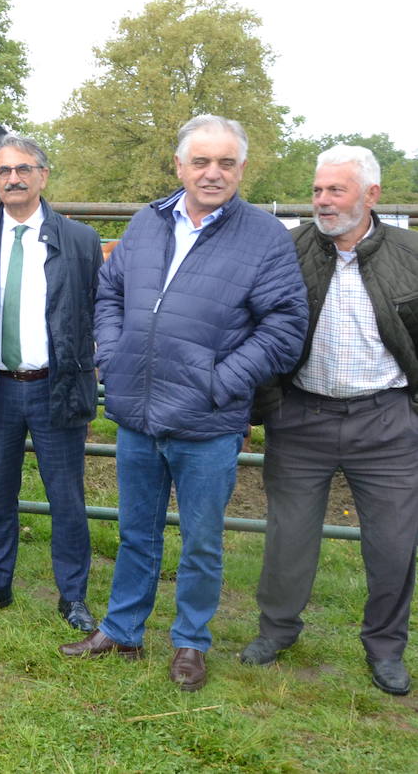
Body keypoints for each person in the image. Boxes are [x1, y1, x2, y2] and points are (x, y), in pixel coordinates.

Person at [59, 114, 307, 693]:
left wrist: (220, 383)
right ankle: (122, 629)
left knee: (200, 541)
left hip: (207, 423)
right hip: (137, 412)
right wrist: (113, 354)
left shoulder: (265, 237)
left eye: (225, 162)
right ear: (180, 166)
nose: (212, 172)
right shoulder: (148, 223)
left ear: (242, 168)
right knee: (135, 532)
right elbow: (111, 291)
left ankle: (191, 642)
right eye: (201, 161)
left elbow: (285, 326)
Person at [243, 145, 418, 696]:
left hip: (387, 422)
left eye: (335, 190)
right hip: (302, 417)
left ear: (371, 195)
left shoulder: (412, 253)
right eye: (317, 190)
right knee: (288, 538)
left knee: (393, 544)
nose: (321, 201)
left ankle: (386, 648)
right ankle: (277, 630)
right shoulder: (287, 249)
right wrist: (270, 407)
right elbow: (256, 322)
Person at [0, 134, 101, 630]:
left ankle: (72, 595)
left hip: (56, 386)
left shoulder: (79, 241)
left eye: (23, 169)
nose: (13, 178)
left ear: (43, 175)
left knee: (66, 496)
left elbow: (97, 310)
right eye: (3, 171)